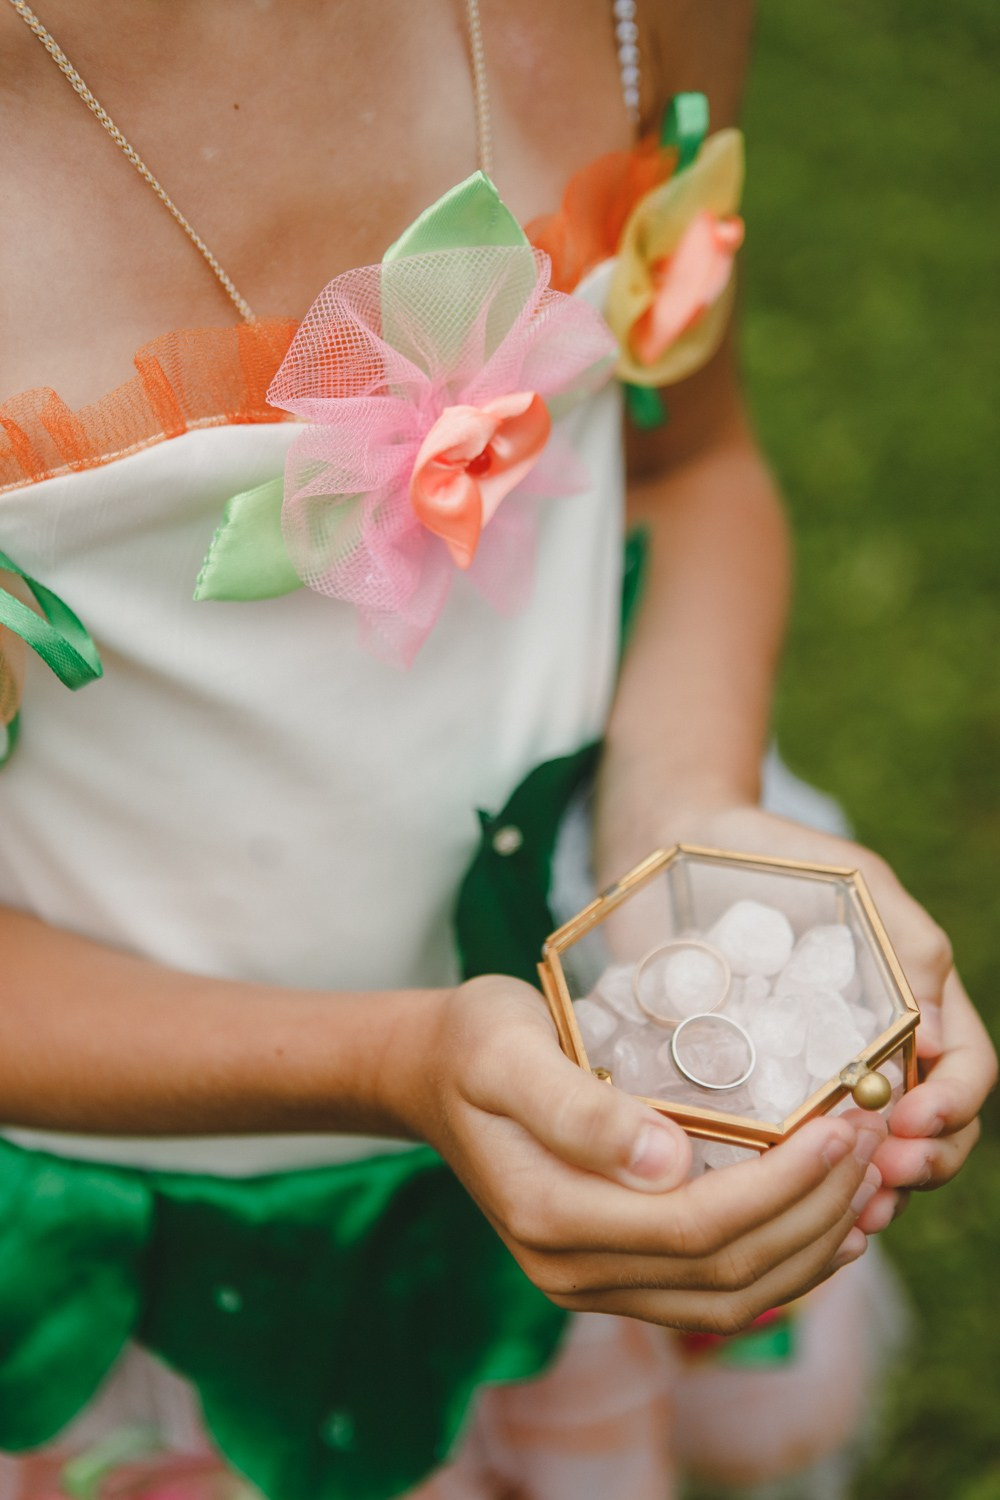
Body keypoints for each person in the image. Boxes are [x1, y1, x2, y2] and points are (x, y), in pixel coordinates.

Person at [0, 2, 994, 1498]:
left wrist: (687, 811)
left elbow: (687, 459)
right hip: (178, 1229)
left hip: (606, 1048)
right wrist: (398, 1064)